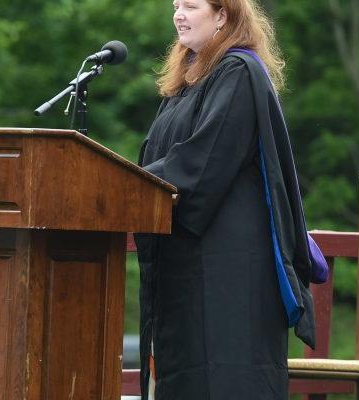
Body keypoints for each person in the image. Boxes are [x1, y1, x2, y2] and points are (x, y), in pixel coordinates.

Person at [134, 0, 316, 399]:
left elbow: (201, 163)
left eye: (191, 5)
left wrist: (131, 184)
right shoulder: (186, 82)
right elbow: (157, 155)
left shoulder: (238, 72)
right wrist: (134, 181)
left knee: (227, 379)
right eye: (175, 5)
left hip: (228, 272)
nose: (178, 14)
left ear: (223, 14)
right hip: (187, 264)